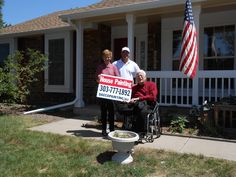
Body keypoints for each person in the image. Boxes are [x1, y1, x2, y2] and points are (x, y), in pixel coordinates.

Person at [96, 49, 120, 136]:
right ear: (103, 57)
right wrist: (99, 78)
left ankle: (112, 129)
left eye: (109, 57)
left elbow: (118, 79)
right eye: (106, 57)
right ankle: (103, 129)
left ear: (111, 57)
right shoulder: (100, 67)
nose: (107, 58)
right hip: (103, 94)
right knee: (103, 112)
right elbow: (97, 80)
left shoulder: (113, 67)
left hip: (112, 94)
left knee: (111, 112)